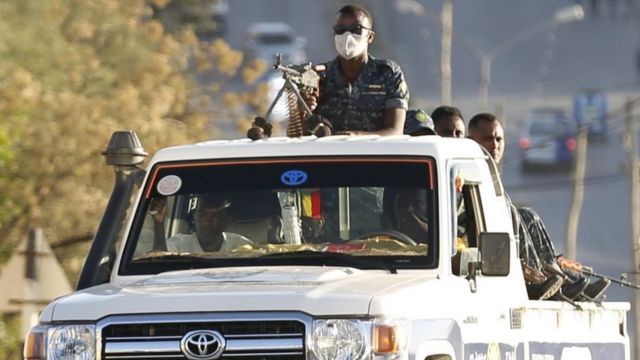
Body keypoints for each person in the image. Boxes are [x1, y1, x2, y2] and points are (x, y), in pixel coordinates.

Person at [468, 113, 610, 301]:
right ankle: (537, 283)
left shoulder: (490, 174)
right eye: (487, 139)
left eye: (499, 139)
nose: (494, 145)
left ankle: (560, 279)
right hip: (487, 251)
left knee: (527, 215)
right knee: (516, 215)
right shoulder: (469, 171)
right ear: (470, 141)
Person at [304, 4, 409, 136]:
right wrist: (304, 108)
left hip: (375, 155)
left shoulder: (387, 73)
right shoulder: (319, 76)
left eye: (356, 30)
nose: (347, 36)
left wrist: (355, 137)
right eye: (340, 30)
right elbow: (303, 135)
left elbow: (395, 131)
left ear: (370, 37)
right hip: (330, 155)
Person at [150, 193, 253, 253]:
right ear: (194, 216)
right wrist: (159, 224)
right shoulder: (181, 245)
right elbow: (159, 259)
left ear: (226, 220)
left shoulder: (241, 247)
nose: (207, 222)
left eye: (215, 217)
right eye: (202, 215)